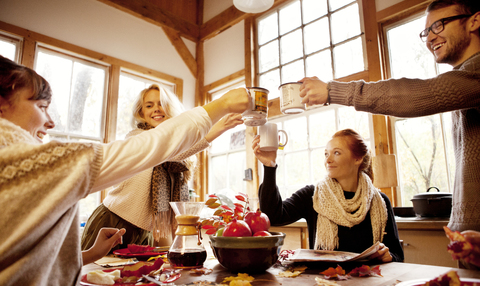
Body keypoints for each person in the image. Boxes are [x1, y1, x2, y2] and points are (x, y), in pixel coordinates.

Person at [0, 55, 249, 286]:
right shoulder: (25, 162)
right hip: (112, 217)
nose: (50, 122)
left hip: (136, 230)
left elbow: (28, 260)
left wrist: (87, 255)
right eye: (41, 106)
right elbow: (155, 147)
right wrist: (219, 106)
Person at [299, 0, 480, 233]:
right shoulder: (465, 78)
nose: (430, 38)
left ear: (474, 21)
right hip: (470, 236)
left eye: (439, 25)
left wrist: (331, 91)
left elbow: (415, 96)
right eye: (426, 32)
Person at [81, 84, 243, 250]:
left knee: (139, 276)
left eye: (161, 104)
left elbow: (168, 213)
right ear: (141, 112)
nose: (156, 110)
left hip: (145, 233)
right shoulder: (138, 137)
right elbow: (170, 150)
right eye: (149, 106)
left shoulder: (179, 154)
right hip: (112, 222)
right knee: (96, 275)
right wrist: (219, 126)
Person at [253, 128, 404, 263]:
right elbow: (273, 215)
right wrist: (269, 165)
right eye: (326, 154)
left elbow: (397, 253)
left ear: (358, 159)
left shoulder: (380, 201)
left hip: (369, 283)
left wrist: (389, 256)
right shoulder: (313, 195)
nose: (328, 160)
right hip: (326, 283)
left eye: (336, 153)